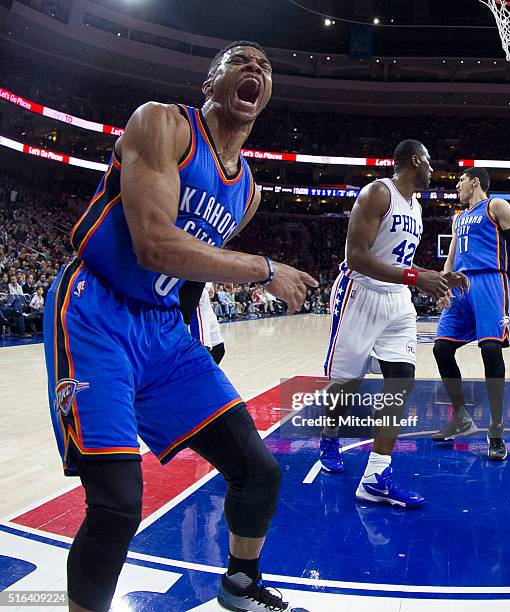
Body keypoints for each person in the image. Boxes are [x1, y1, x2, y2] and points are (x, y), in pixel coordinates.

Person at [43, 40, 317, 612]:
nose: (256, 68)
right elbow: (155, 245)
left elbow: (193, 272)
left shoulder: (249, 191)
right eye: (241, 60)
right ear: (210, 81)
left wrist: (195, 346)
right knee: (117, 503)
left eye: (266, 66)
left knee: (258, 469)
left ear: (266, 97)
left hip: (166, 334)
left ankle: (240, 584)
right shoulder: (163, 125)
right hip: (97, 314)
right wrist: (262, 270)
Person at [319, 140, 467, 508]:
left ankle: (376, 477)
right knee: (347, 383)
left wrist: (437, 280)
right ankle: (328, 435)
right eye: (430, 162)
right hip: (360, 294)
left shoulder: (416, 207)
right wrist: (417, 278)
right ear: (415, 160)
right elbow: (356, 257)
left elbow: (402, 262)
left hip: (398, 302)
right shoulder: (377, 193)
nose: (434, 170)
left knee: (400, 381)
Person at [432, 167, 510, 461]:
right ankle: (461, 418)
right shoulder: (458, 218)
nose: (456, 186)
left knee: (490, 349)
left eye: (459, 181)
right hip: (460, 285)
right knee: (441, 348)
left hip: (490, 281)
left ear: (475, 183)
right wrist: (443, 287)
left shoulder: (496, 205)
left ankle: (496, 431)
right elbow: (450, 257)